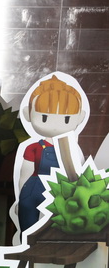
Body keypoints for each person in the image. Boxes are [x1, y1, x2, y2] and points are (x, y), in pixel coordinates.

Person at [17, 75, 85, 233]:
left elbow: (76, 175)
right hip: (32, 191)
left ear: (79, 117)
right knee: (28, 227)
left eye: (66, 119)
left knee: (56, 231)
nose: (55, 126)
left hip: (60, 193)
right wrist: (19, 199)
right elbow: (24, 174)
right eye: (44, 117)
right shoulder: (33, 147)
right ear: (28, 114)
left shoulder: (72, 148)